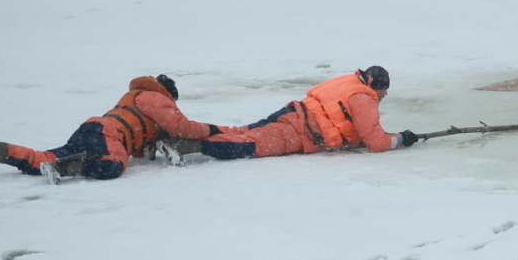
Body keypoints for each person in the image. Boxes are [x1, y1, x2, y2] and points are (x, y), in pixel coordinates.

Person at [0, 75, 223, 183]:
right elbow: (183, 128)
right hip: (108, 135)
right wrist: (210, 129)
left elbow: (137, 144)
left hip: (92, 129)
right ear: (169, 94)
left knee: (41, 158)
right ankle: (62, 168)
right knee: (113, 165)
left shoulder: (135, 96)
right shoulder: (157, 98)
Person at [160, 66, 418, 163]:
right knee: (249, 145)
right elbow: (375, 143)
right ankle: (184, 145)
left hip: (292, 112)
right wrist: (402, 138)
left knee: (242, 131)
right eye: (384, 91)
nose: (384, 96)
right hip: (300, 131)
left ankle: (183, 135)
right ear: (377, 86)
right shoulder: (363, 97)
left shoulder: (348, 82)